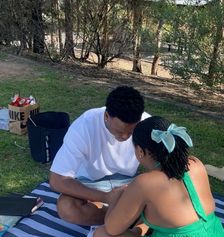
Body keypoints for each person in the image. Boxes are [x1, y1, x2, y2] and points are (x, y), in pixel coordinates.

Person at [91, 116, 224, 237]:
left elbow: (111, 228)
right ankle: (141, 236)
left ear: (141, 152)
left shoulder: (145, 183)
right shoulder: (196, 164)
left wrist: (114, 198)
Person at [49, 86, 149, 226]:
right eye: (120, 131)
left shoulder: (147, 125)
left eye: (131, 132)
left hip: (129, 184)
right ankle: (127, 219)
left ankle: (122, 219)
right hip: (90, 184)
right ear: (107, 116)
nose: (125, 137)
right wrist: (106, 197)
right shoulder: (84, 126)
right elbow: (57, 180)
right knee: (67, 208)